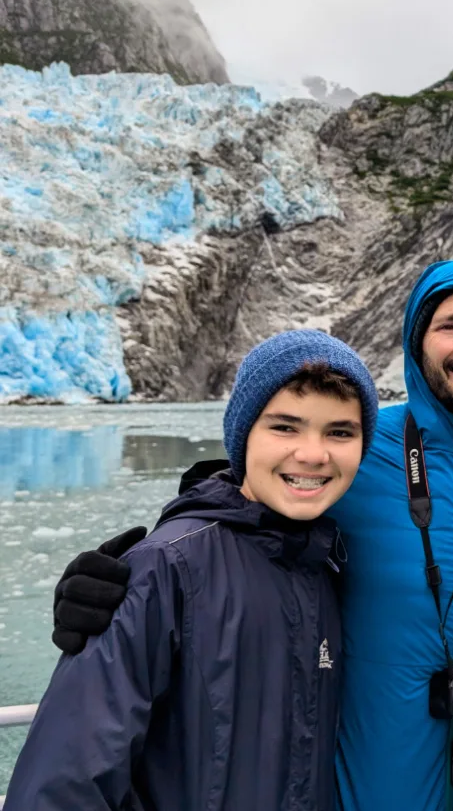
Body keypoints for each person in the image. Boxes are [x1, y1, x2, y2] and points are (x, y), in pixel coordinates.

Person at [46, 261, 453, 811]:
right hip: (356, 788)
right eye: (449, 324)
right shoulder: (358, 450)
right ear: (416, 343)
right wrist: (124, 589)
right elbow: (246, 510)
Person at [6, 329, 379, 810]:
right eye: (284, 427)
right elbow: (62, 785)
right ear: (243, 436)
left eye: (340, 432)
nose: (312, 453)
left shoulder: (324, 564)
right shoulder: (167, 568)